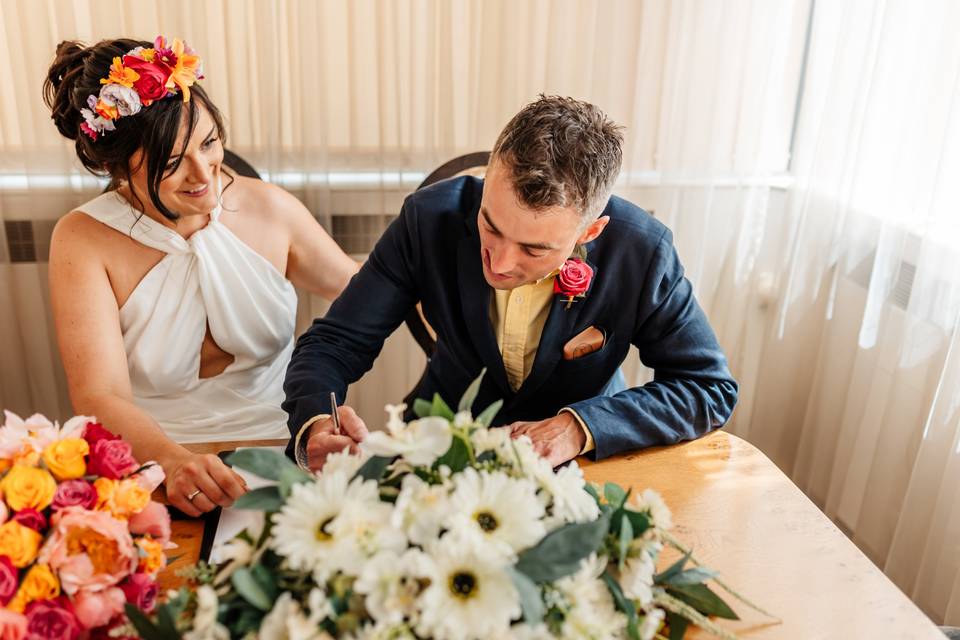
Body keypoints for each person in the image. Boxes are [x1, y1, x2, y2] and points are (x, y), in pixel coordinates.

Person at [283, 95, 738, 471]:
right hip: (442, 450)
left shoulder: (642, 251)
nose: (499, 264)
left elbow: (707, 387)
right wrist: (317, 420)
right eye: (490, 225)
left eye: (534, 249)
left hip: (586, 464)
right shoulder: (427, 219)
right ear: (486, 183)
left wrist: (579, 427)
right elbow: (335, 342)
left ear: (589, 233)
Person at [43, 36, 358, 516]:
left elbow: (371, 296)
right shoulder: (81, 240)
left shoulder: (269, 209)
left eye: (209, 143)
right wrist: (172, 461)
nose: (204, 174)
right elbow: (98, 393)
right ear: (114, 167)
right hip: (152, 465)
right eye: (172, 163)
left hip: (285, 451)